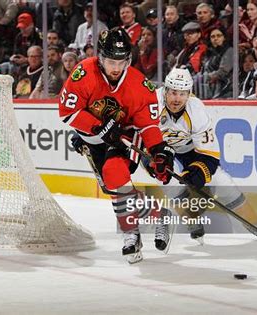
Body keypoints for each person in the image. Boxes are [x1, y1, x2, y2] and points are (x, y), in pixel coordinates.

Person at [59, 27, 175, 263]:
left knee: (115, 175)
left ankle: (130, 234)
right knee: (113, 188)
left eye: (121, 62)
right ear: (100, 57)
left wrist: (158, 151)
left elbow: (149, 126)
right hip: (93, 138)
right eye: (111, 61)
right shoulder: (84, 73)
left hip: (124, 135)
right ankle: (159, 214)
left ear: (128, 60)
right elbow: (67, 111)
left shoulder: (141, 86)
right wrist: (96, 127)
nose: (115, 67)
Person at [150, 67, 257, 243]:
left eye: (182, 94)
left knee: (222, 182)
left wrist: (197, 174)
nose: (177, 99)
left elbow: (209, 154)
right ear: (165, 91)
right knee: (170, 183)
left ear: (189, 93)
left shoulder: (196, 109)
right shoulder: (152, 103)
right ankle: (192, 220)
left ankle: (253, 223)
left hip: (191, 150)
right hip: (161, 150)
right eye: (173, 92)